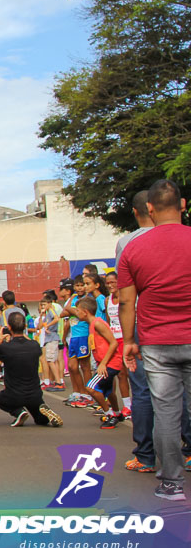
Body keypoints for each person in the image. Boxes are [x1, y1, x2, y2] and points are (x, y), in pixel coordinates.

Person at [118, 179, 191, 501]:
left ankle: (172, 483)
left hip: (156, 343)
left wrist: (129, 341)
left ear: (149, 208)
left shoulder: (133, 248)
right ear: (184, 205)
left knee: (166, 413)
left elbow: (125, 302)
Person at [0, 312, 63, 428]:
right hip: (35, 395)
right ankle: (43, 412)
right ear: (25, 327)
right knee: (41, 421)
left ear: (9, 328)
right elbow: (30, 345)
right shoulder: (34, 345)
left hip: (14, 394)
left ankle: (19, 412)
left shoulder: (5, 347)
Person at [72, 297, 123, 428]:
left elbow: (113, 343)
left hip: (111, 363)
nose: (76, 313)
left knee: (90, 387)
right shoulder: (92, 325)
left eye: (77, 311)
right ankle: (117, 412)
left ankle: (109, 414)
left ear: (85, 311)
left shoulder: (98, 323)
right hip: (107, 362)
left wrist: (103, 364)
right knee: (109, 390)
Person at [61, 275, 94, 408]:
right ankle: (78, 392)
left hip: (84, 335)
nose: (80, 288)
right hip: (73, 337)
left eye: (82, 285)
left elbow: (84, 315)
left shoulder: (88, 300)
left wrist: (73, 312)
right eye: (77, 286)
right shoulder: (73, 299)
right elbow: (64, 312)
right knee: (72, 366)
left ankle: (88, 394)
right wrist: (74, 310)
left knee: (85, 366)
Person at [103, 272, 132, 417]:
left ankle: (137, 403)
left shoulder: (125, 297)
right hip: (115, 340)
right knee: (120, 374)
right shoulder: (107, 300)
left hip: (126, 338)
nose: (110, 285)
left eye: (113, 282)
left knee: (132, 373)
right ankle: (127, 406)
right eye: (107, 283)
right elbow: (108, 323)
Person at [36, 294, 65, 391]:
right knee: (53, 360)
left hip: (52, 338)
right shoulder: (47, 313)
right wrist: (41, 316)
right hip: (49, 339)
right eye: (41, 305)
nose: (43, 307)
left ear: (49, 303)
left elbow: (57, 319)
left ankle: (58, 382)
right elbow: (39, 327)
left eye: (44, 304)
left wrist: (48, 326)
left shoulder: (52, 310)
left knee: (50, 360)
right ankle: (57, 381)